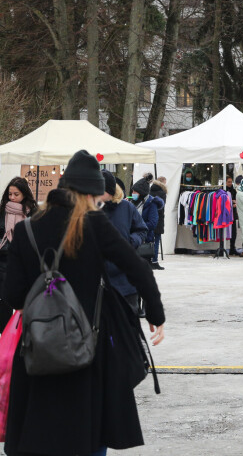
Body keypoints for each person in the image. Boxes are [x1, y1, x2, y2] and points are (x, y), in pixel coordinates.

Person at [2, 149, 164, 456]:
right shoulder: (95, 225)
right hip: (88, 348)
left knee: (40, 435)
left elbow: (13, 296)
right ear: (90, 194)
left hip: (38, 348)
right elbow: (138, 268)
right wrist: (155, 313)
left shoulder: (26, 230)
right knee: (89, 434)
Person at [101, 170, 148, 317]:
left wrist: (130, 241)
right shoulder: (90, 209)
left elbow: (142, 230)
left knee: (128, 329)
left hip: (125, 282)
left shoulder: (127, 208)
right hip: (99, 283)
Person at [0, 176, 37, 330]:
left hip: (24, 263)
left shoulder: (32, 214)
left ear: (24, 195)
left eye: (16, 194)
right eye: (10, 194)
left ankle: (23, 336)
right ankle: (5, 335)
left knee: (26, 300)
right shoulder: (2, 212)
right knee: (4, 301)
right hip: (3, 262)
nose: (12, 198)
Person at [131, 174, 164, 269]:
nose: (133, 193)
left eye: (135, 191)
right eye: (132, 191)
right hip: (133, 241)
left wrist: (137, 226)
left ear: (141, 192)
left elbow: (153, 223)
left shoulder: (151, 203)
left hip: (145, 240)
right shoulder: (133, 203)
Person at [150, 175, 167, 267]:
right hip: (158, 219)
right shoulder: (162, 193)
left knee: (150, 240)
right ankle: (155, 260)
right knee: (156, 240)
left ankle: (149, 259)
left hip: (150, 218)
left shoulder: (150, 191)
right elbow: (162, 206)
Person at [225, 176, 239, 256]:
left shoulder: (233, 190)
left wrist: (235, 203)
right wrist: (231, 203)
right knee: (225, 231)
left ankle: (232, 248)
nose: (230, 183)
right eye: (228, 182)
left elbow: (236, 199)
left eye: (231, 182)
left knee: (234, 232)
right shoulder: (223, 190)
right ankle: (223, 247)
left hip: (233, 214)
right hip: (225, 213)